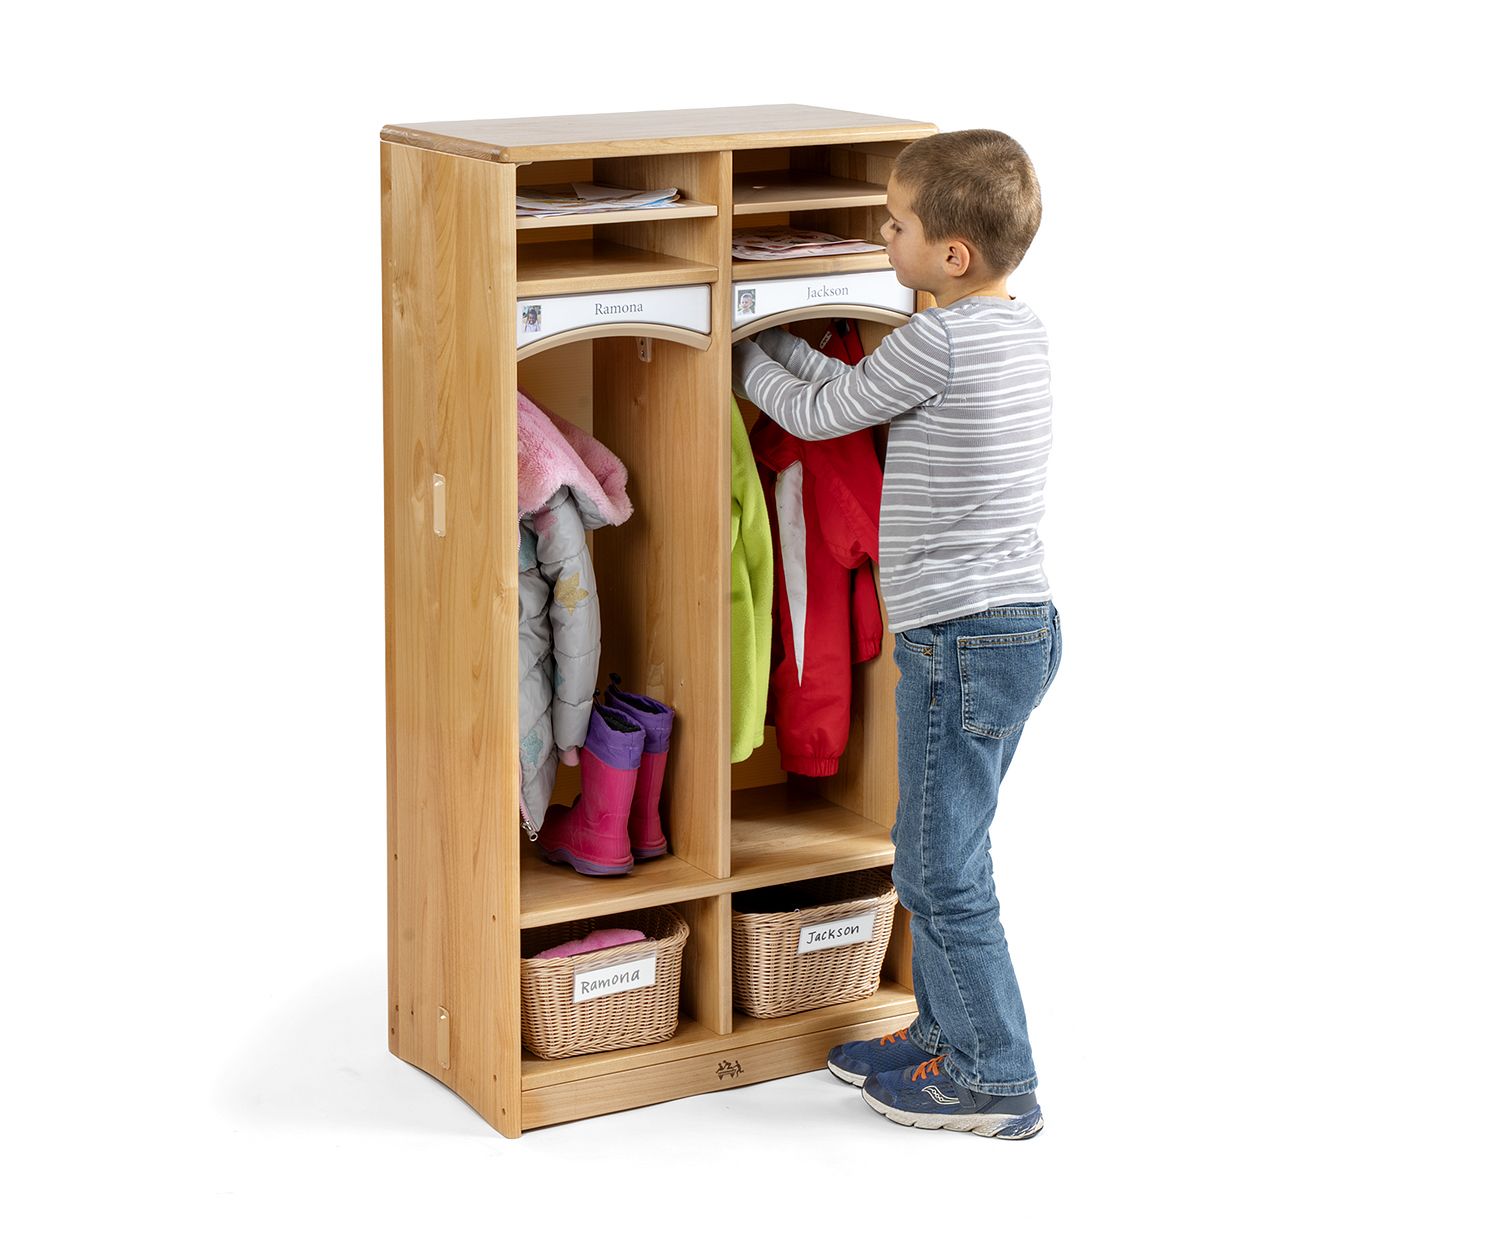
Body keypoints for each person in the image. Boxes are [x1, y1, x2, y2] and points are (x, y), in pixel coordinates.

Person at [731, 129, 1061, 1140]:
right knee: (945, 850)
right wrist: (783, 329)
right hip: (1019, 626)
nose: (882, 234)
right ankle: (942, 1033)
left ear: (949, 254)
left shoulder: (934, 338)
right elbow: (851, 390)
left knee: (937, 869)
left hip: (957, 637)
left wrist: (744, 343)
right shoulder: (1018, 326)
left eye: (897, 224)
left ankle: (993, 1077)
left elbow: (821, 410)